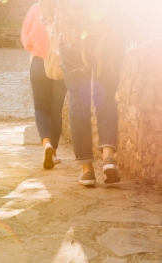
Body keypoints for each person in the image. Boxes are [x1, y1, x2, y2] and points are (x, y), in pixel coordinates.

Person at [39, 0, 127, 184]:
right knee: (107, 96)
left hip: (72, 36)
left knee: (78, 98)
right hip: (110, 34)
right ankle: (108, 158)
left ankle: (87, 170)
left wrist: (53, 24)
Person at [21, 2, 67, 169]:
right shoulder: (63, 8)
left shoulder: (35, 9)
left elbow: (25, 41)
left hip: (38, 63)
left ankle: (46, 144)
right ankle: (53, 152)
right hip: (59, 63)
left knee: (40, 108)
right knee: (56, 110)